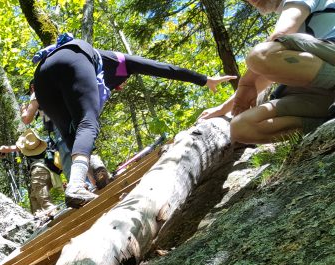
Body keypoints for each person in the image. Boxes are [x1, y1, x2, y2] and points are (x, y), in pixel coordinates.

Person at [26, 34, 235, 207]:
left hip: (41, 79)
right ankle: (76, 186)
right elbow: (159, 67)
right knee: (87, 123)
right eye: (119, 83)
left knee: (71, 135)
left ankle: (79, 184)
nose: (119, 86)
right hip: (72, 59)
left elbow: (74, 140)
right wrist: (204, 79)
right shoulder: (118, 61)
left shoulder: (93, 67)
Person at [199, 0, 335, 143]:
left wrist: (247, 80)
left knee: (260, 55)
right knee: (241, 127)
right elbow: (264, 74)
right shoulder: (283, 46)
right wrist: (223, 108)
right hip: (319, 93)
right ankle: (322, 125)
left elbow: (281, 35)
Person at [0, 128, 60, 218]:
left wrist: (0, 150)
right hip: (51, 171)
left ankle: (51, 210)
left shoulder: (27, 145)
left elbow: (4, 148)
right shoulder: (45, 141)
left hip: (39, 169)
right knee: (33, 196)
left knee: (40, 191)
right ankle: (39, 215)